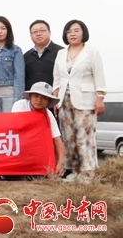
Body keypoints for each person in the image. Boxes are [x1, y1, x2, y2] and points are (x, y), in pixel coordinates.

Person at [53, 20, 106, 184]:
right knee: (69, 137)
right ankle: (73, 171)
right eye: (69, 31)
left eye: (76, 30)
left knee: (85, 137)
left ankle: (87, 172)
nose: (72, 34)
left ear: (83, 32)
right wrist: (55, 99)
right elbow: (57, 78)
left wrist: (100, 98)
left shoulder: (91, 52)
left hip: (85, 100)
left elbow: (99, 77)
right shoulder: (61, 53)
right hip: (64, 101)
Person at [4, 82, 65, 181]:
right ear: (30, 96)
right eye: (36, 96)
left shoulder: (48, 115)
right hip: (19, 149)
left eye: (44, 98)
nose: (39, 100)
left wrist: (61, 162)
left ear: (48, 101)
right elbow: (16, 130)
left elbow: (57, 140)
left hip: (37, 154)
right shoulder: (19, 105)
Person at [0, 16, 25, 113]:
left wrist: (18, 100)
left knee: (9, 122)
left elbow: (19, 76)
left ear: (8, 31)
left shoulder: (15, 50)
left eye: (3, 28)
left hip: (10, 95)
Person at [24, 20, 64, 90]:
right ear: (31, 36)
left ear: (49, 33)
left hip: (55, 94)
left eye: (42, 30)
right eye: (35, 32)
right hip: (33, 95)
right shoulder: (26, 56)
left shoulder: (61, 52)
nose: (38, 34)